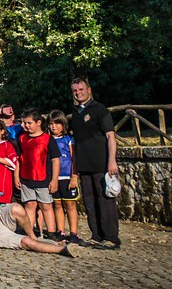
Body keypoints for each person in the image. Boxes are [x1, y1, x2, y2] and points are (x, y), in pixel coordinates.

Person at [68, 77, 120, 249]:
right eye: (75, 90)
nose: (78, 93)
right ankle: (96, 235)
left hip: (101, 163)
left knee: (105, 200)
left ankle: (111, 238)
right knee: (90, 201)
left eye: (81, 89)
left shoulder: (100, 110)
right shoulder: (76, 114)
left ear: (88, 90)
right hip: (84, 165)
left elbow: (110, 136)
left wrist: (111, 161)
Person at [16, 109, 60, 239]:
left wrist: (54, 180)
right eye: (24, 123)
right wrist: (16, 176)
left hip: (43, 178)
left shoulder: (48, 139)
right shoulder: (22, 138)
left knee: (46, 205)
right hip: (26, 177)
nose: (26, 126)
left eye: (29, 123)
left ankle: (51, 233)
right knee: (29, 204)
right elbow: (19, 158)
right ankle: (30, 231)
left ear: (39, 122)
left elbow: (55, 160)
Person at [48, 110, 80, 243]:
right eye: (51, 124)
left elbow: (74, 158)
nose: (54, 126)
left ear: (63, 124)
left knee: (70, 205)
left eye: (57, 123)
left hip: (67, 177)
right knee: (57, 205)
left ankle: (73, 233)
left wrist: (74, 176)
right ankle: (60, 231)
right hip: (54, 178)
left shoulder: (68, 139)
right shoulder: (47, 139)